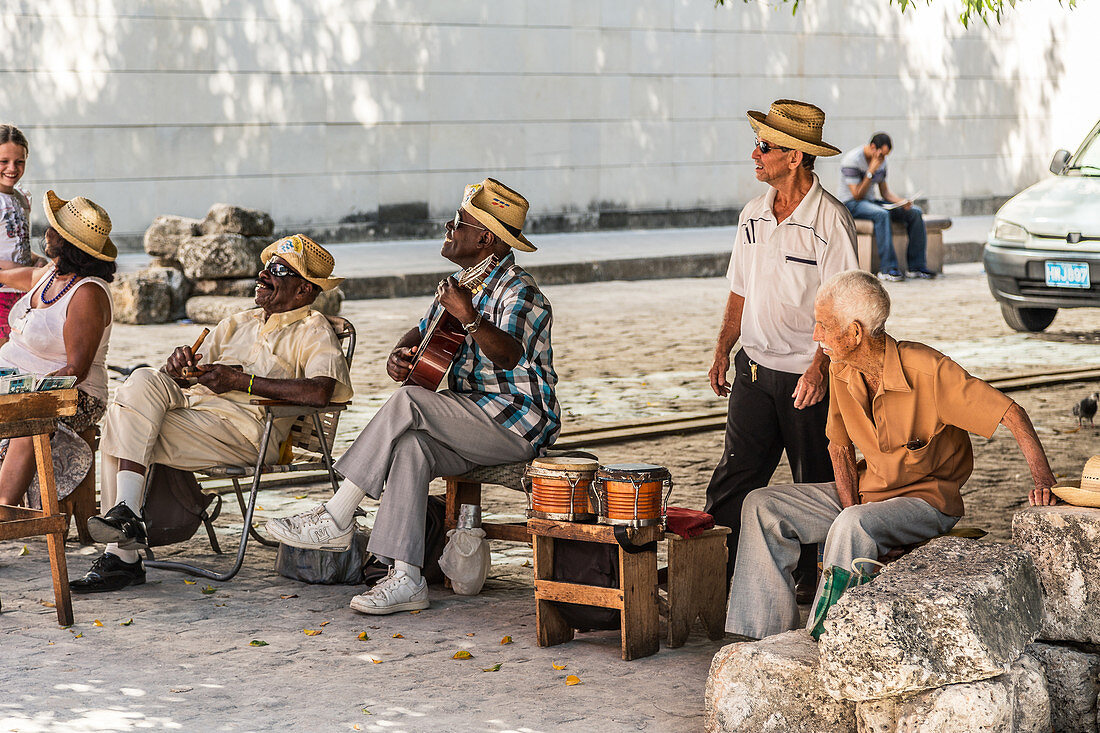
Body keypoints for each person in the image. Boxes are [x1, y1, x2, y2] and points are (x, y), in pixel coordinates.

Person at [267, 178, 560, 615]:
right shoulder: (460, 283)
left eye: (458, 222)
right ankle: (407, 577)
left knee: (410, 403)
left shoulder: (520, 291)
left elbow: (509, 354)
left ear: (484, 237)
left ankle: (337, 514)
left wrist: (471, 318)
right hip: (468, 417)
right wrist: (400, 354)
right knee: (410, 447)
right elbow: (422, 333)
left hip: (515, 422)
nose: (448, 227)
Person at [725, 270, 1057, 639]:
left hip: (926, 502)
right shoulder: (840, 367)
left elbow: (1012, 414)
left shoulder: (928, 370)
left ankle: (826, 638)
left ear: (854, 333)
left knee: (854, 526)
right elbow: (839, 446)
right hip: (868, 494)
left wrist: (1044, 481)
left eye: (823, 325)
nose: (815, 336)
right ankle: (760, 638)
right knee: (761, 505)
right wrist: (852, 506)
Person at [69, 234, 353, 593]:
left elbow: (320, 391)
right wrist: (177, 369)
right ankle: (127, 518)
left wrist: (242, 381)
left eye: (279, 270)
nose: (264, 275)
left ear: (305, 291)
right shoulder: (239, 322)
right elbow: (185, 378)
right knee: (141, 381)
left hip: (248, 433)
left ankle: (122, 554)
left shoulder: (313, 329)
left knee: (122, 419)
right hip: (197, 416)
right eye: (265, 267)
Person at [706, 99, 858, 589]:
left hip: (806, 380)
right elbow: (739, 290)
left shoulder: (830, 220)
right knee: (734, 480)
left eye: (764, 147)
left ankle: (820, 587)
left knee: (814, 482)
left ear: (795, 157)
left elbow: (843, 307)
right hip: (753, 370)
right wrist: (723, 349)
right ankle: (721, 576)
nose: (755, 155)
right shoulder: (752, 214)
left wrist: (819, 368)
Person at [0, 191, 116, 507]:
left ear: (65, 242)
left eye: (53, 229)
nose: (46, 232)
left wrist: (24, 394)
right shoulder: (52, 275)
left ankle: (4, 508)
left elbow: (74, 371)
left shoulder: (87, 294)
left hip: (70, 396)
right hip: (18, 383)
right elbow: (12, 275)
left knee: (28, 420)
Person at [838, 132, 934, 282]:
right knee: (881, 214)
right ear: (872, 147)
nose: (883, 158)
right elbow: (857, 194)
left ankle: (916, 267)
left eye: (886, 155)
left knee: (915, 212)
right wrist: (870, 171)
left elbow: (885, 193)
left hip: (870, 202)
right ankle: (888, 269)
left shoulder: (882, 162)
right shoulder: (852, 160)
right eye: (881, 154)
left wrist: (901, 202)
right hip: (851, 204)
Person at [0, 124, 43, 346]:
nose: (12, 168)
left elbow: (16, 244)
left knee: (17, 353)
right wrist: (26, 272)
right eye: (3, 161)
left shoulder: (22, 198)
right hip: (2, 291)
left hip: (24, 291)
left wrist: (36, 260)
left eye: (19, 161)